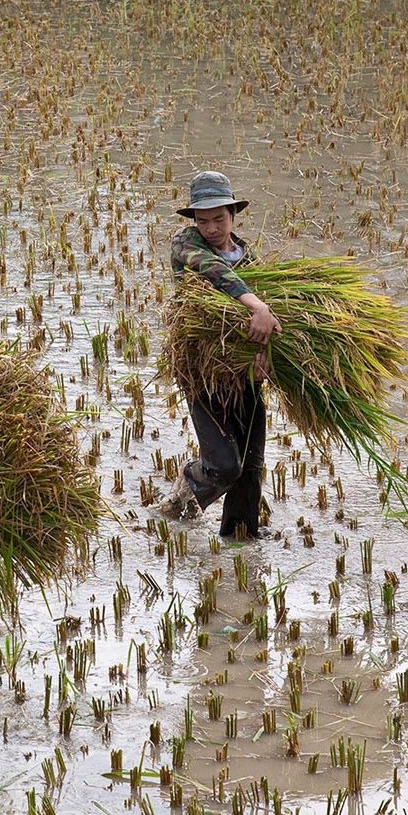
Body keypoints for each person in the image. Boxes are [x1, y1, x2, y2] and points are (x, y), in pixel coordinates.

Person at [160, 171, 281, 540]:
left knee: (250, 469)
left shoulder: (250, 255)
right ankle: (182, 499)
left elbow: (271, 312)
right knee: (226, 466)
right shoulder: (186, 244)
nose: (211, 227)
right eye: (203, 220)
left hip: (242, 371)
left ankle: (240, 545)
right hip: (203, 369)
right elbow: (216, 274)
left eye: (219, 218)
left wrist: (263, 354)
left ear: (233, 213)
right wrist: (257, 306)